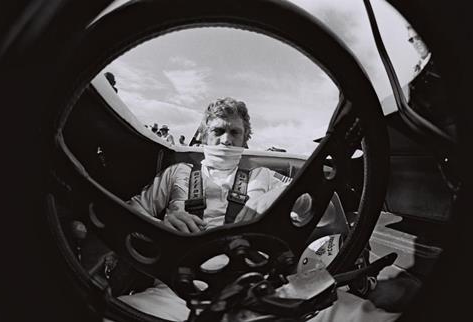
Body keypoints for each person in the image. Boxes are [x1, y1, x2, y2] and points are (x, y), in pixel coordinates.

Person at [107, 97, 402, 322]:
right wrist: (160, 228)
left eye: (235, 132)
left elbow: (323, 211)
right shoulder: (177, 173)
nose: (226, 139)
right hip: (181, 288)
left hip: (267, 283)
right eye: (218, 131)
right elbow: (126, 219)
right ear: (203, 136)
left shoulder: (265, 177)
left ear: (246, 138)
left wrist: (283, 199)